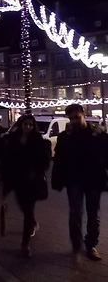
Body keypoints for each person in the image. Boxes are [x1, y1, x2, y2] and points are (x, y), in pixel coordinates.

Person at [52, 104, 108, 261]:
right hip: (74, 180)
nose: (75, 121)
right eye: (71, 118)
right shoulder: (65, 136)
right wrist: (57, 180)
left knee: (93, 215)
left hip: (94, 180)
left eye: (77, 117)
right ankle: (76, 244)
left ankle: (91, 245)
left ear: (84, 114)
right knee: (75, 214)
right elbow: (59, 160)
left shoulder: (98, 134)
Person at [1, 115, 51, 258]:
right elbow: (7, 162)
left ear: (33, 126)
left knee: (28, 211)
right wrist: (5, 186)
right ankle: (33, 222)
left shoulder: (38, 141)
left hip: (32, 181)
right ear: (21, 125)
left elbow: (45, 164)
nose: (28, 127)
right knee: (23, 207)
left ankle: (25, 244)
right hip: (17, 181)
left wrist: (39, 161)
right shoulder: (13, 139)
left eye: (30, 124)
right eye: (25, 124)